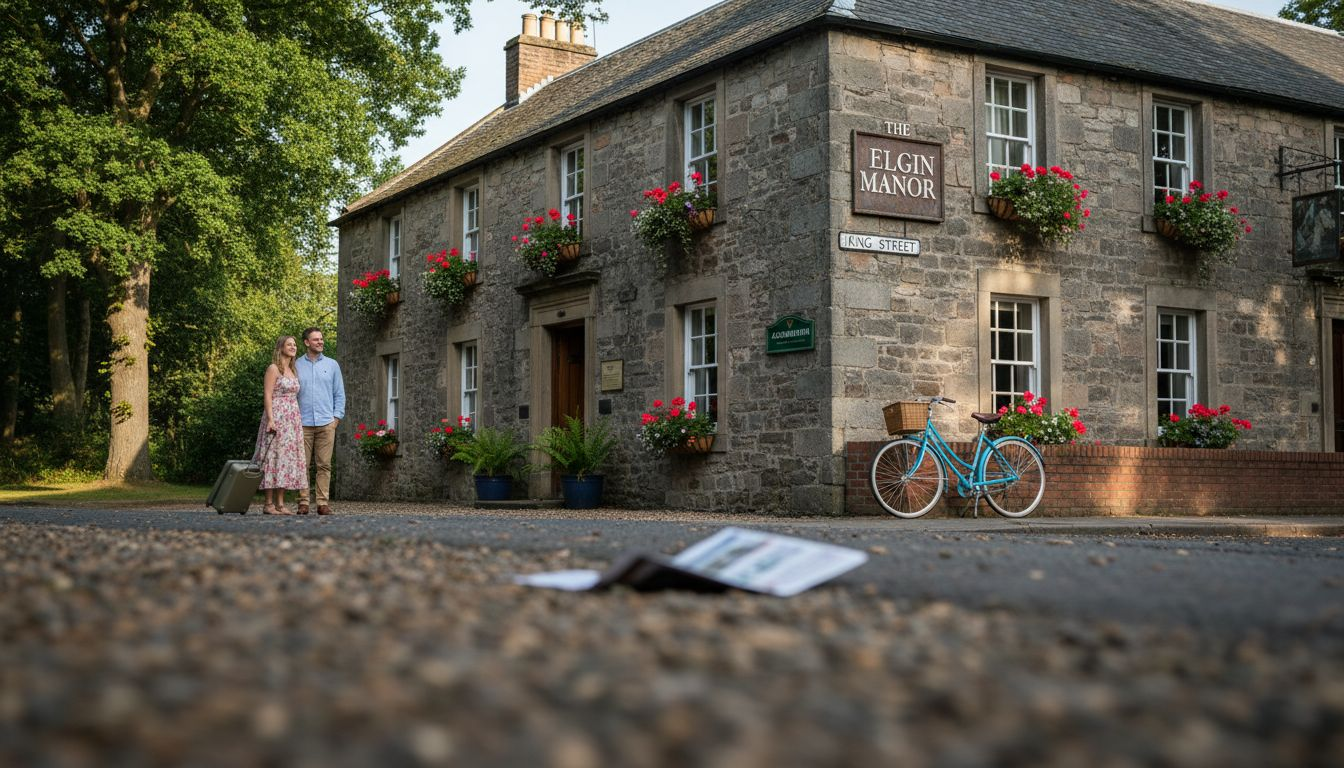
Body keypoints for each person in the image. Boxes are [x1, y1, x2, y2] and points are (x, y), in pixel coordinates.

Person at [253, 335, 306, 515]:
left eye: (294, 345)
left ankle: (281, 504)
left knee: (285, 459)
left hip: (292, 420)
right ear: (280, 347)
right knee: (271, 458)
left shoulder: (293, 370)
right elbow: (267, 395)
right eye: (289, 344)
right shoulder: (273, 368)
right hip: (276, 415)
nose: (293, 347)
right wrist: (271, 419)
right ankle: (268, 504)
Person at [295, 327, 345, 515]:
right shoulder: (296, 365)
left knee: (324, 464)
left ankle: (322, 503)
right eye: (316, 339)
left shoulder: (333, 365)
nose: (320, 342)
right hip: (302, 423)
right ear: (307, 342)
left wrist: (336, 418)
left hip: (326, 423)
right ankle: (303, 502)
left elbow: (339, 393)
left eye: (321, 339)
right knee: (303, 465)